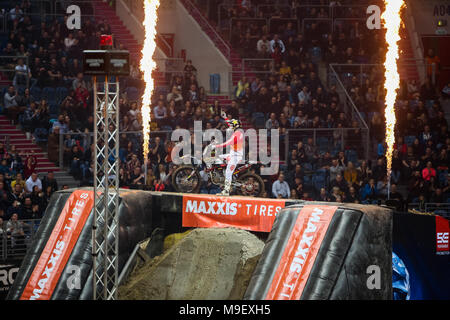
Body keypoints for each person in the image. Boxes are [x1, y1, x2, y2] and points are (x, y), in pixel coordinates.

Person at [211, 112, 244, 196]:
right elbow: (231, 124)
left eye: (232, 126)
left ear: (235, 126)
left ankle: (226, 191)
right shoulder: (238, 131)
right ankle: (221, 176)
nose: (230, 127)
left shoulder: (237, 134)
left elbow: (227, 143)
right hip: (233, 154)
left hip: (235, 156)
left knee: (228, 172)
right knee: (217, 157)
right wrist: (225, 118)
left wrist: (216, 146)